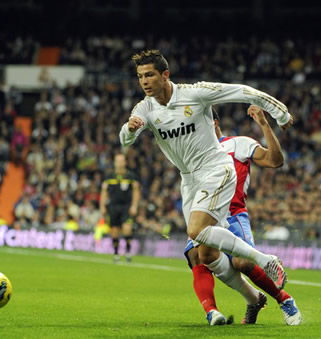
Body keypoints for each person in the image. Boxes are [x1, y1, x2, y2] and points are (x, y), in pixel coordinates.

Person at [120, 50, 293, 323]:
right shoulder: (145, 108)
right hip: (188, 180)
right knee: (204, 253)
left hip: (216, 169)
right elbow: (125, 140)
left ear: (166, 75)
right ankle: (253, 298)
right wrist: (130, 129)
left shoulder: (195, 93)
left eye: (150, 74)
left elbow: (243, 91)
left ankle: (265, 260)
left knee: (195, 230)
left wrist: (279, 112)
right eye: (140, 76)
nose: (144, 81)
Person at [185, 106, 301, 326]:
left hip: (233, 214)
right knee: (197, 257)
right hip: (205, 216)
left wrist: (265, 125)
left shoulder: (239, 143)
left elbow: (275, 161)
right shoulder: (195, 154)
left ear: (215, 123)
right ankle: (213, 312)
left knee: (242, 263)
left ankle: (284, 299)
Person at [100, 154, 140, 262]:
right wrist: (102, 206)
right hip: (113, 206)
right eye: (118, 161)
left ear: (125, 162)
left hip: (126, 206)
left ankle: (127, 252)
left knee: (127, 228)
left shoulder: (131, 176)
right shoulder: (109, 177)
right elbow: (104, 192)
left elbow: (136, 191)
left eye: (122, 161)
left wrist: (134, 205)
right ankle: (116, 253)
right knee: (114, 230)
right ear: (114, 162)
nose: (120, 163)